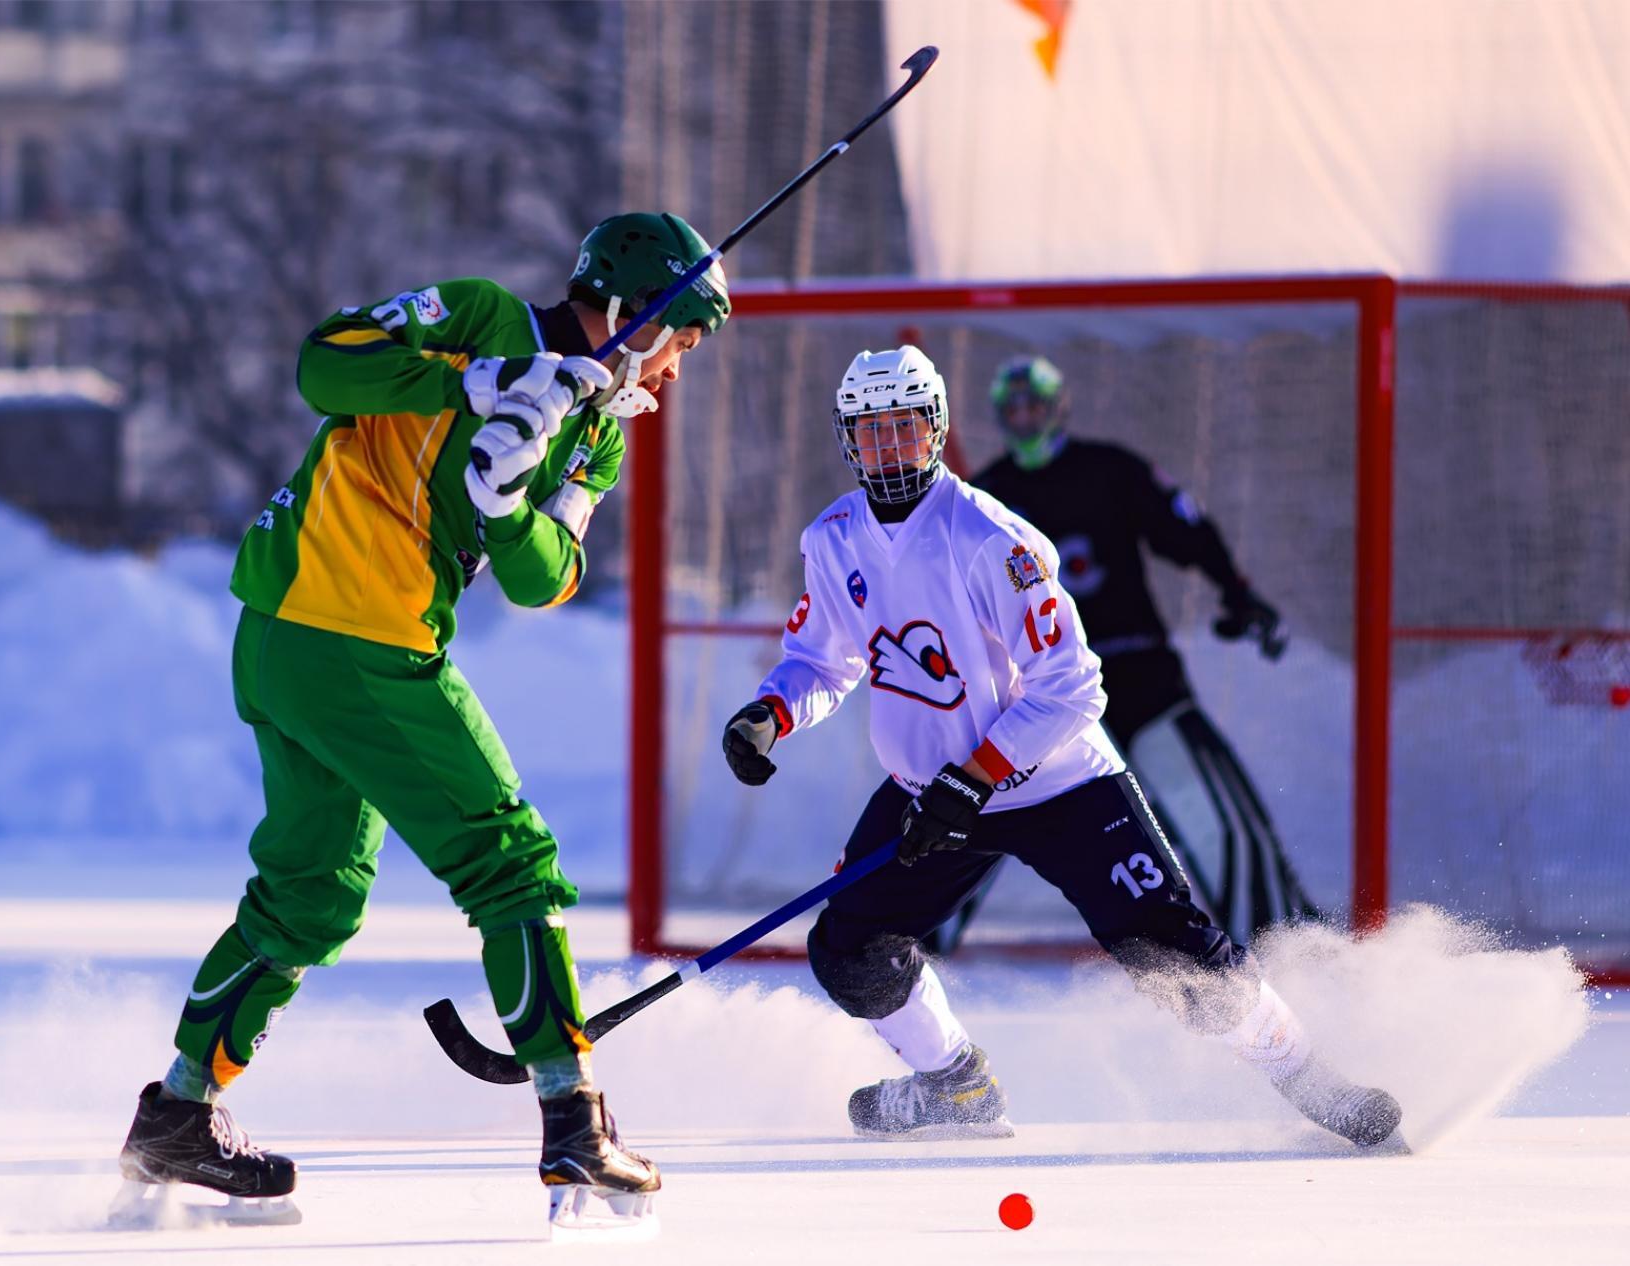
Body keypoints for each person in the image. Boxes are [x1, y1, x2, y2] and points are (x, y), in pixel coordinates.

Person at [112, 212, 731, 1231]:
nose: (675, 374)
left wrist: (503, 505)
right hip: (344, 627)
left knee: (313, 897)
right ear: (633, 311)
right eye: (683, 343)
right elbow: (326, 365)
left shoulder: (600, 432)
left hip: (305, 645)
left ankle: (179, 1112)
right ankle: (573, 1119)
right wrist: (477, 385)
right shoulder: (481, 320)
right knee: (509, 859)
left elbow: (549, 576)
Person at [718, 346, 1399, 1147]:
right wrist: (770, 712)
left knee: (1175, 960)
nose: (888, 450)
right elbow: (823, 659)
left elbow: (1073, 687)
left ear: (935, 430)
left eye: (904, 429)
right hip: (931, 789)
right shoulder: (833, 538)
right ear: (847, 441)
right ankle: (955, 1087)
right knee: (850, 953)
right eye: (870, 434)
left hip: (1058, 786)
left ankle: (1311, 1078)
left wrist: (973, 778)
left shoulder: (990, 539)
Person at [922, 354, 1316, 955]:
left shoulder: (1110, 470)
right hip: (1041, 695)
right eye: (1014, 409)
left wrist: (1238, 593)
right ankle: (902, 949)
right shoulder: (987, 496)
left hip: (1137, 676)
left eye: (1037, 406)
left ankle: (1288, 947)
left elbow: (1186, 530)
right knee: (965, 808)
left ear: (1061, 408)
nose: (1026, 419)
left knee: (1219, 816)